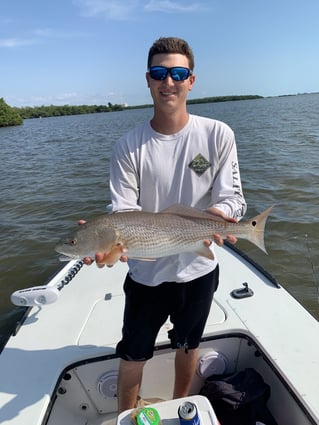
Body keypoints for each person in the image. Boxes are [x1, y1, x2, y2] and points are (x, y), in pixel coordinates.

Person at [86, 37, 247, 413]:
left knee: (189, 344)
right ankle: (127, 414)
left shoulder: (217, 134)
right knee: (133, 352)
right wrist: (106, 246)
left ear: (191, 80)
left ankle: (180, 406)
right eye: (160, 73)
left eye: (178, 73)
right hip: (146, 273)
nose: (168, 81)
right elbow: (122, 212)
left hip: (199, 265)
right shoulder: (129, 146)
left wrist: (221, 217)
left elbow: (234, 198)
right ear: (148, 79)